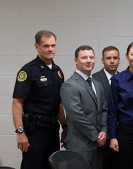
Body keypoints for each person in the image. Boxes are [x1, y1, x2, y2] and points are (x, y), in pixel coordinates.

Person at [12, 30, 67, 169]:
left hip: (53, 129)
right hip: (34, 130)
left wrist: (65, 126)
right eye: (46, 46)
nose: (50, 49)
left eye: (53, 45)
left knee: (52, 165)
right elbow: (17, 103)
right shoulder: (28, 70)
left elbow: (59, 103)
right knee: (33, 165)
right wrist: (20, 132)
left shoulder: (57, 71)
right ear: (37, 46)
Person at [60, 45, 107, 169]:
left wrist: (104, 130)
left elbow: (104, 110)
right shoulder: (69, 86)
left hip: (98, 146)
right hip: (80, 146)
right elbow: (77, 116)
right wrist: (96, 136)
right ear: (76, 60)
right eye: (84, 57)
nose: (89, 60)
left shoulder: (97, 85)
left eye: (91, 57)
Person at [92, 46, 120, 169]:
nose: (112, 61)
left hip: (121, 132)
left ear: (119, 59)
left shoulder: (125, 78)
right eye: (108, 58)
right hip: (101, 133)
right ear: (102, 60)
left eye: (115, 58)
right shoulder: (94, 79)